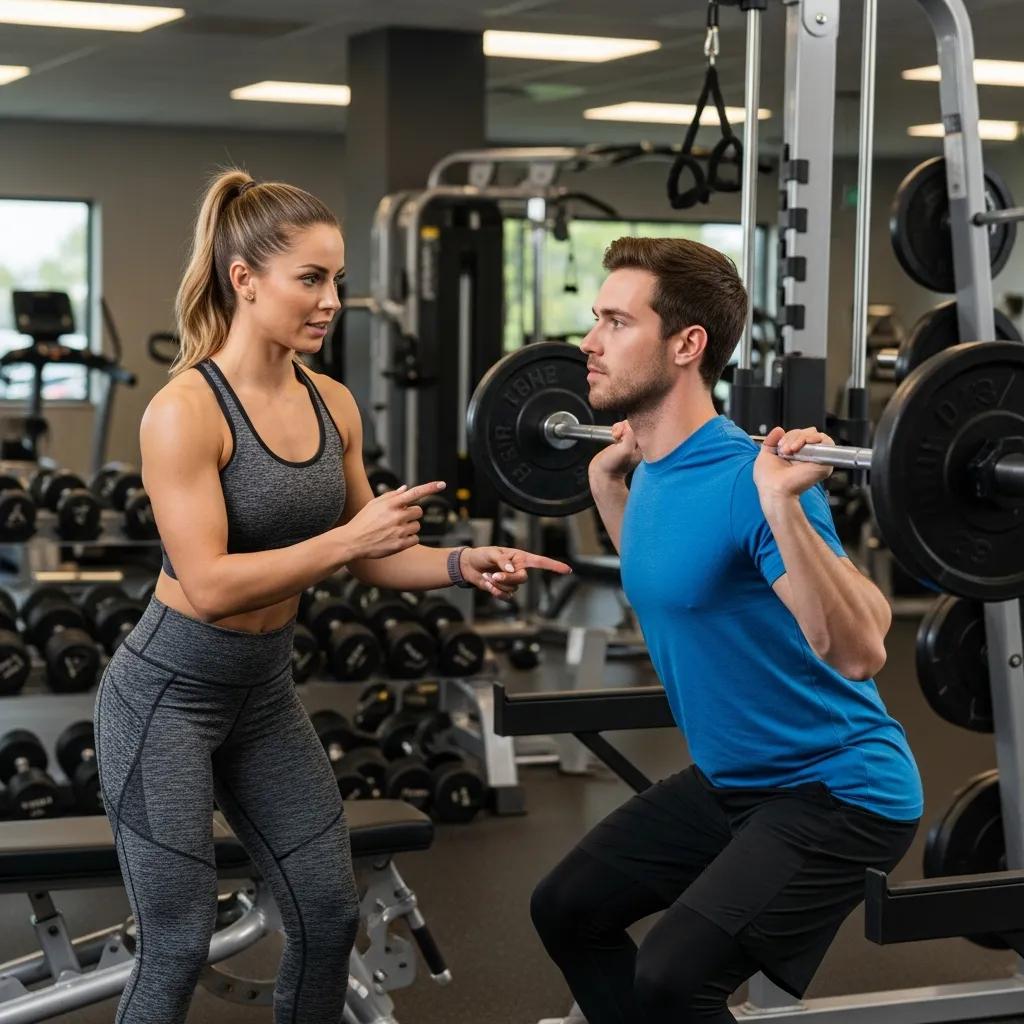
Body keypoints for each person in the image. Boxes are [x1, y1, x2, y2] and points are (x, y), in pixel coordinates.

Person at [93, 168, 570, 1024]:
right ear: (244, 279)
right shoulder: (184, 411)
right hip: (164, 699)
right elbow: (205, 583)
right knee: (177, 939)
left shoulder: (334, 404)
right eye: (310, 279)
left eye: (337, 281)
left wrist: (464, 564)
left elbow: (377, 561)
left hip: (263, 696)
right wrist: (349, 541)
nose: (330, 301)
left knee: (328, 911)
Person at [530, 236, 922, 1024]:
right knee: (566, 907)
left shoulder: (754, 480)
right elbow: (671, 579)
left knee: (673, 981)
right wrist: (608, 489)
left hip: (838, 789)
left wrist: (783, 504)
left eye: (614, 321)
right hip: (737, 780)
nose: (589, 340)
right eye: (594, 319)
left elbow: (862, 649)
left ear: (686, 344)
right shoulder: (653, 469)